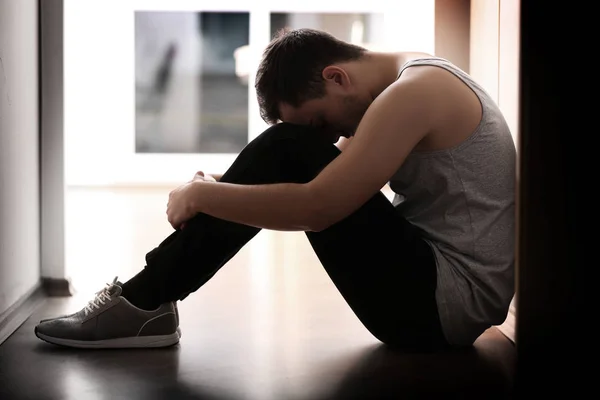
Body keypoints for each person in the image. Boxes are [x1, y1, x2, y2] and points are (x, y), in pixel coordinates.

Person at [34, 28, 516, 352]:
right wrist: (220, 185)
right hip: (434, 296)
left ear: (336, 76)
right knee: (289, 148)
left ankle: (144, 301)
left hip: (443, 305)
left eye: (322, 122)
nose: (328, 137)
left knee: (289, 146)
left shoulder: (416, 92)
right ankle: (146, 302)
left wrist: (202, 197)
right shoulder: (408, 81)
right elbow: (316, 180)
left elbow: (321, 204)